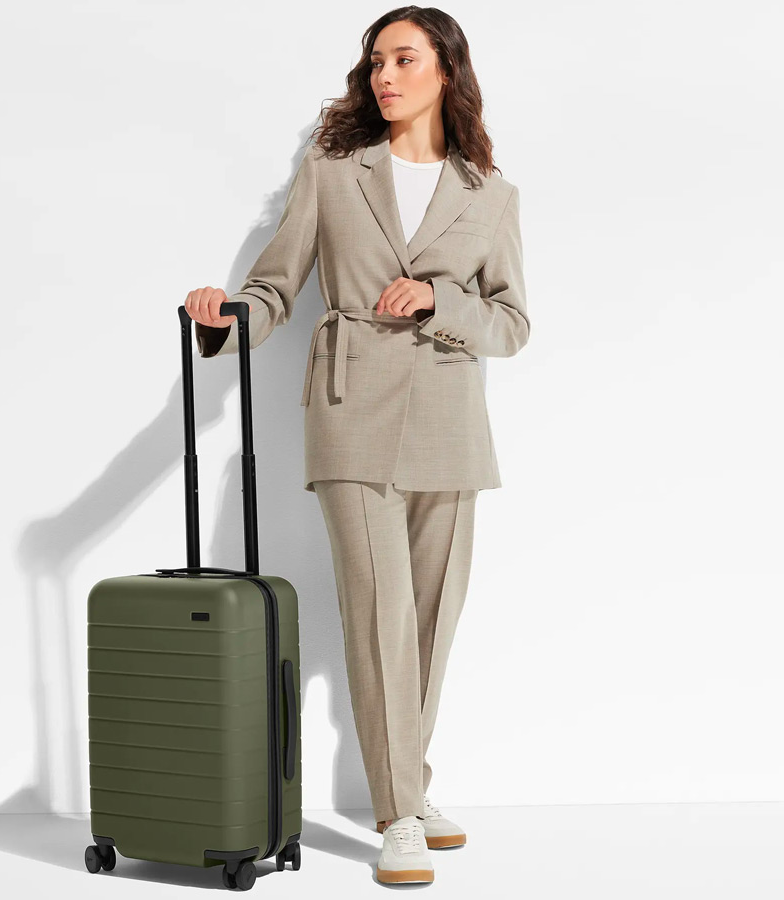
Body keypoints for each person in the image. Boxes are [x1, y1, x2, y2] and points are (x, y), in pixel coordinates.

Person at [184, 6, 529, 886]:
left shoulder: (491, 196)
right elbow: (276, 282)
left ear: (445, 69)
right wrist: (228, 318)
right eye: (375, 60)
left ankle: (409, 787)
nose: (383, 75)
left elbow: (512, 324)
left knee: (428, 628)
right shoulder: (334, 172)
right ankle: (398, 817)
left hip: (451, 423)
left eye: (403, 59)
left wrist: (439, 305)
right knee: (379, 621)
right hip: (351, 412)